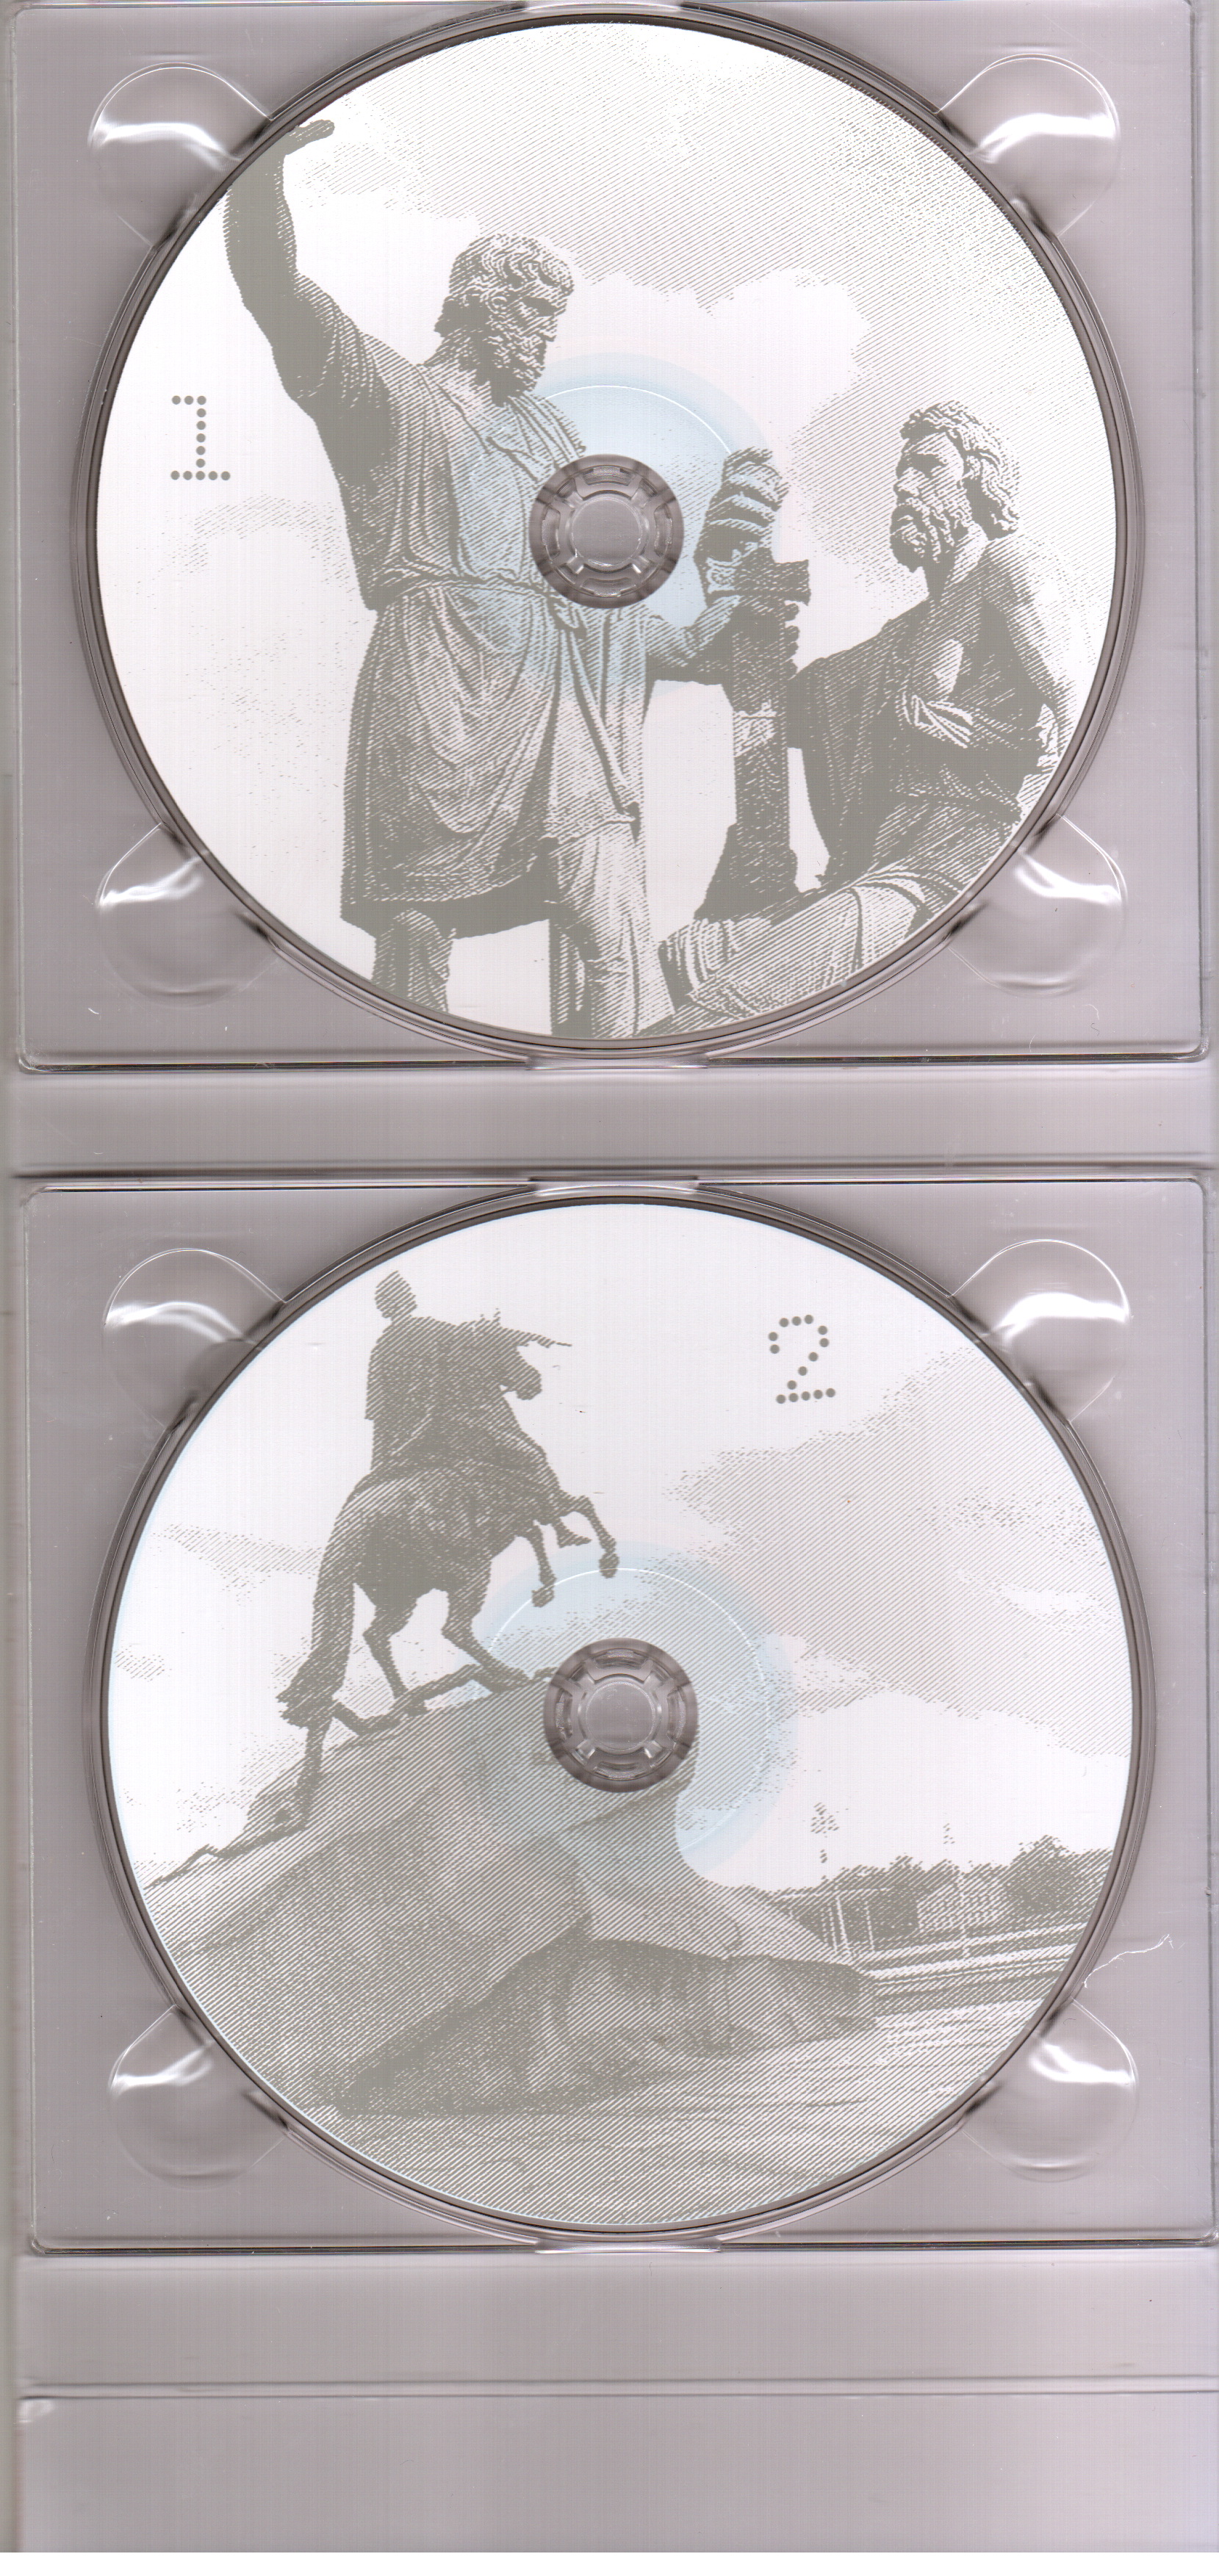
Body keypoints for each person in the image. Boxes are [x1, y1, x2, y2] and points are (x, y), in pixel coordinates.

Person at [225, 128, 755, 1037]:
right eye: (536, 313)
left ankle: (609, 1079)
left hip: (549, 690)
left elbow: (597, 593)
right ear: (479, 307)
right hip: (433, 678)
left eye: (555, 317)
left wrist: (718, 595)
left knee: (601, 902)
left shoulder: (549, 435)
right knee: (415, 921)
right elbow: (277, 292)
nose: (547, 335)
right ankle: (416, 1081)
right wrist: (256, 177)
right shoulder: (390, 395)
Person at [662, 401, 1095, 1020]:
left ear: (977, 481)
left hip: (955, 871)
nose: (903, 485)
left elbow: (1080, 717)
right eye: (901, 471)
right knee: (685, 955)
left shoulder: (1010, 565)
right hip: (882, 866)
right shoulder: (896, 643)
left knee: (724, 1007)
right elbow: (775, 710)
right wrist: (730, 585)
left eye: (926, 467)